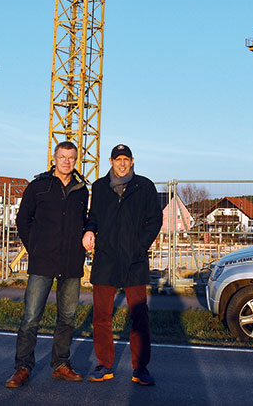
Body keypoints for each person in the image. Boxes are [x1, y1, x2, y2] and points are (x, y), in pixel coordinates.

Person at [5, 141, 89, 388]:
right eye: (62, 157)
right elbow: (23, 221)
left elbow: (85, 221)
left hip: (71, 262)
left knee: (68, 317)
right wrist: (35, 248)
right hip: (43, 261)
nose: (67, 162)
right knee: (31, 317)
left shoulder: (81, 189)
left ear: (76, 160)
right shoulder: (38, 186)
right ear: (54, 158)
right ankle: (22, 368)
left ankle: (61, 364)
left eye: (71, 158)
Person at [83, 144, 163, 385]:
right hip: (105, 259)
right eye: (118, 159)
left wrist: (140, 245)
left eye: (126, 159)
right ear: (110, 161)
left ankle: (140, 368)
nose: (122, 163)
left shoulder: (145, 186)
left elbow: (155, 219)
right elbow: (93, 216)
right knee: (101, 316)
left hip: (134, 260)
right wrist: (89, 230)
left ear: (132, 161)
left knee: (139, 315)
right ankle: (104, 365)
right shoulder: (98, 187)